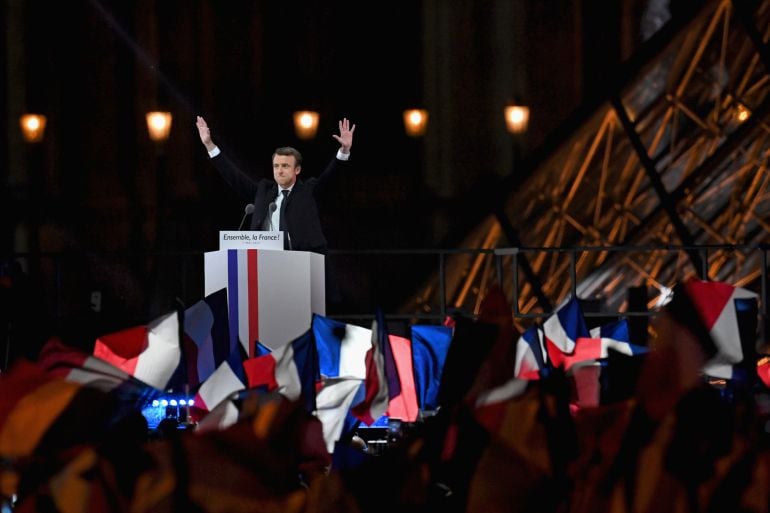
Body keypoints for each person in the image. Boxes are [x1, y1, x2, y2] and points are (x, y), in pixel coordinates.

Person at [195, 115, 355, 254]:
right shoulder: (264, 191)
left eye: (285, 166)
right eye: (276, 166)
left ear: (297, 169)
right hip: (266, 264)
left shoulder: (308, 190)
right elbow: (234, 177)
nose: (279, 170)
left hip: (303, 265)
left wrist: (344, 151)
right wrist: (209, 145)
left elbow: (330, 177)